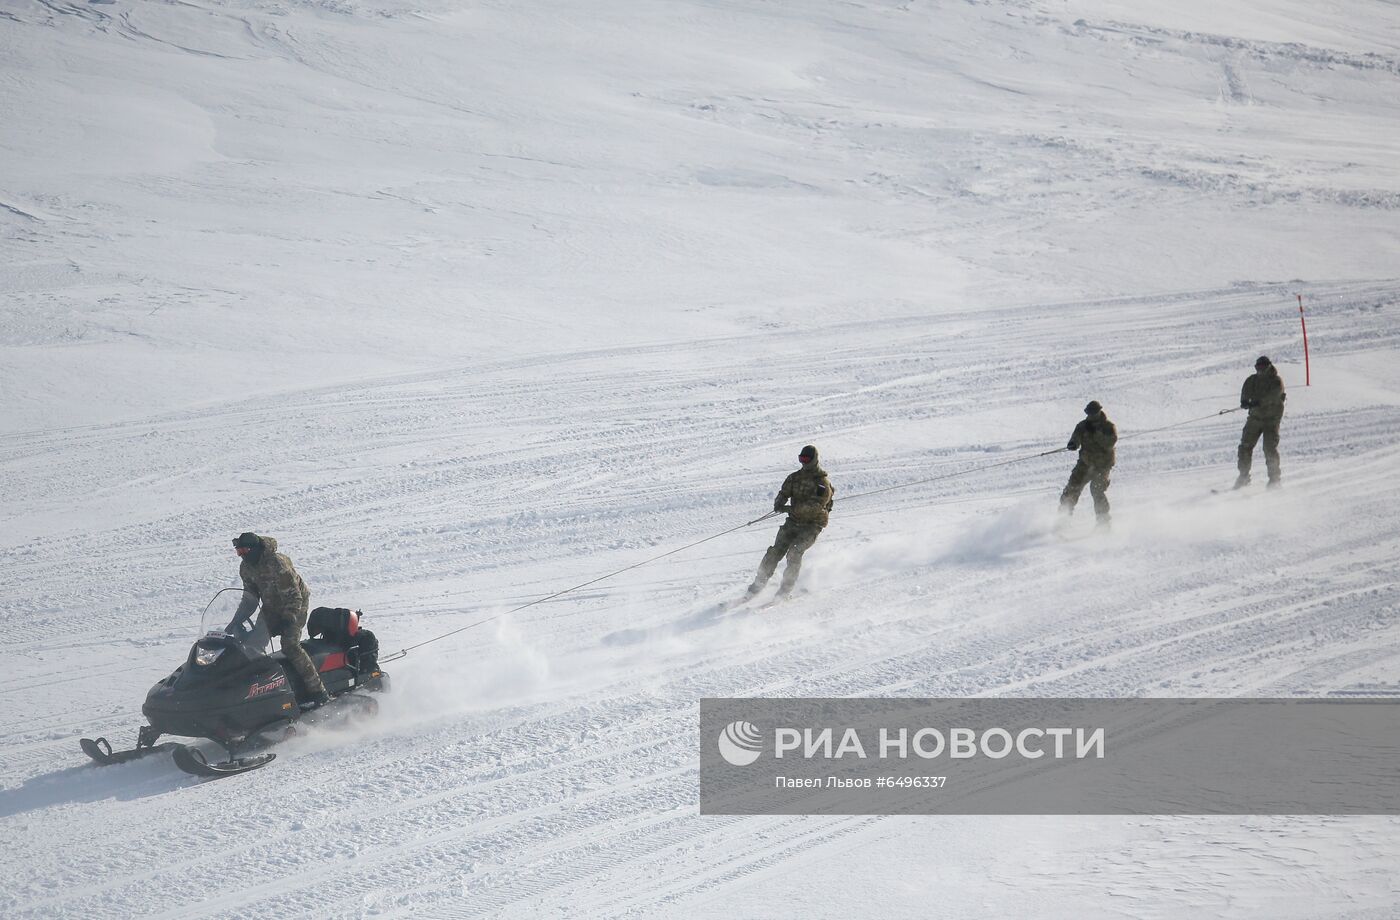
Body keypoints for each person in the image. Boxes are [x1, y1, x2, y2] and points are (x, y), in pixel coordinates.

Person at [232, 532, 331, 707]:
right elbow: (250, 597)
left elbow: (295, 595)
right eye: (239, 552)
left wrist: (288, 619)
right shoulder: (246, 568)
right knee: (252, 645)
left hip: (295, 604)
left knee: (290, 645)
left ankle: (318, 691)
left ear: (254, 549)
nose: (242, 556)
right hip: (271, 606)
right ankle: (259, 692)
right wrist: (237, 619)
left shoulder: (277, 563)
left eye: (244, 551)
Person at [747, 445, 835, 598]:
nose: (804, 462)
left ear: (814, 459)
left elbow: (815, 507)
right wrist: (779, 502)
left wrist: (788, 509)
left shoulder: (822, 483)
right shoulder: (794, 477)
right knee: (775, 551)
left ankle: (785, 591)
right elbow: (784, 492)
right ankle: (759, 584)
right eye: (801, 459)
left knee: (794, 552)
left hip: (812, 525)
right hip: (793, 522)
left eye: (807, 459)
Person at [1059, 401, 1118, 526]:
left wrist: (1096, 433)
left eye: (1093, 413)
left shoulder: (1108, 427)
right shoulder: (1082, 426)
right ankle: (1063, 520)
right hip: (1085, 464)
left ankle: (1103, 523)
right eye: (1088, 413)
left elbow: (1109, 444)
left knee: (1097, 491)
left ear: (1099, 412)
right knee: (1071, 488)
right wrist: (1073, 444)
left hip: (1102, 466)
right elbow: (1075, 438)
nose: (1090, 416)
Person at [1235, 355, 1286, 489]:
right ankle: (1244, 476)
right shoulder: (1252, 380)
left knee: (1269, 449)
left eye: (1263, 367)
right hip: (1255, 419)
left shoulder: (1276, 381)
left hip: (1271, 421)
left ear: (1269, 366)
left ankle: (1274, 480)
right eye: (1258, 367)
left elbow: (1274, 396)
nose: (1260, 370)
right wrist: (1245, 402)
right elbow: (1245, 392)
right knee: (1245, 446)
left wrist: (1259, 402)